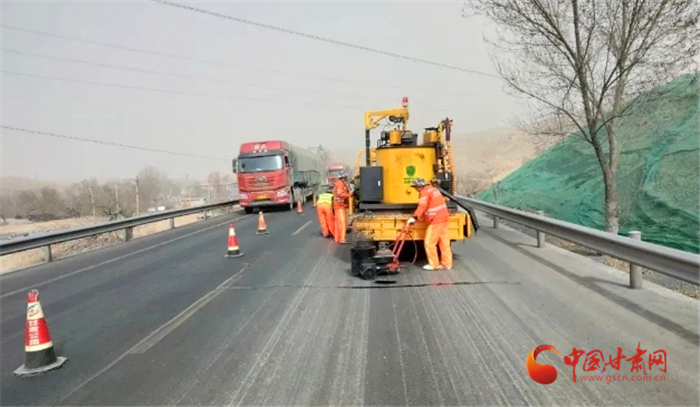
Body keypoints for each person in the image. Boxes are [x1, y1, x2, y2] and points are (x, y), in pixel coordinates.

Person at [406, 177, 453, 270]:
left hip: (436, 221)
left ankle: (434, 264)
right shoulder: (434, 190)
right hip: (444, 219)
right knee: (444, 243)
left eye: (415, 187)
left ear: (419, 186)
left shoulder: (425, 193)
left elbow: (422, 206)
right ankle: (447, 264)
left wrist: (414, 217)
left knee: (429, 243)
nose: (415, 189)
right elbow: (433, 204)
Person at [332, 171, 351, 244]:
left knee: (338, 222)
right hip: (340, 206)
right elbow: (340, 194)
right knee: (342, 222)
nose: (346, 178)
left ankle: (338, 238)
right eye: (345, 177)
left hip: (339, 205)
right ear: (343, 177)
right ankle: (342, 239)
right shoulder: (340, 183)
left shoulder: (340, 183)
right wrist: (348, 195)